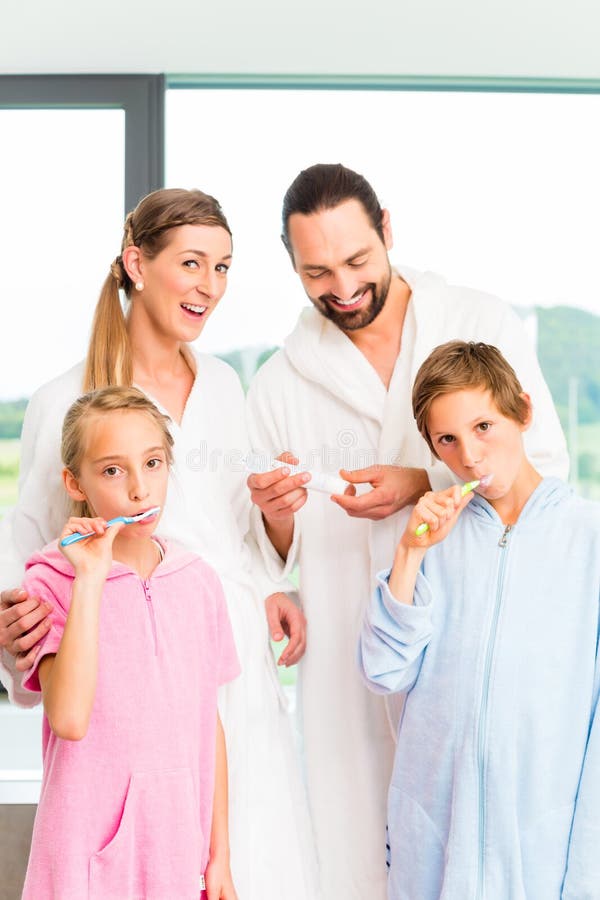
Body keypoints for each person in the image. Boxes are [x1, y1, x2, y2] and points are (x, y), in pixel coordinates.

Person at [245, 164, 570, 899]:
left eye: (358, 261)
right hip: (348, 673)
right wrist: (276, 512)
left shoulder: (480, 322)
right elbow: (268, 556)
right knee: (356, 859)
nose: (344, 288)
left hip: (472, 654)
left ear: (387, 229)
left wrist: (420, 480)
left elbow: (544, 465)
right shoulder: (279, 383)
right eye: (317, 272)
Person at [0, 189, 319, 899]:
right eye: (193, 263)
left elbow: (235, 533)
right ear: (136, 262)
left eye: (225, 267)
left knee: (245, 855)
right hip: (123, 680)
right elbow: (30, 546)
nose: (211, 286)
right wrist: (14, 621)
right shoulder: (67, 397)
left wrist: (274, 548)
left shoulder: (225, 385)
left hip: (224, 658)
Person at [358, 341, 599, 899]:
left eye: (484, 426)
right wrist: (410, 554)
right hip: (435, 847)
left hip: (543, 849)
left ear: (524, 411)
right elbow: (382, 672)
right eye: (448, 439)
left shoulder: (588, 541)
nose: (469, 455)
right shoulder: (432, 539)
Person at [21, 386, 240, 899]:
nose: (141, 490)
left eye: (154, 463)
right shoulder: (53, 582)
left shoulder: (198, 581)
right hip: (84, 859)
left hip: (176, 855)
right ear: (76, 482)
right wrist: (91, 579)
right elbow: (69, 719)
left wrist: (219, 856)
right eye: (113, 471)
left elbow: (208, 723)